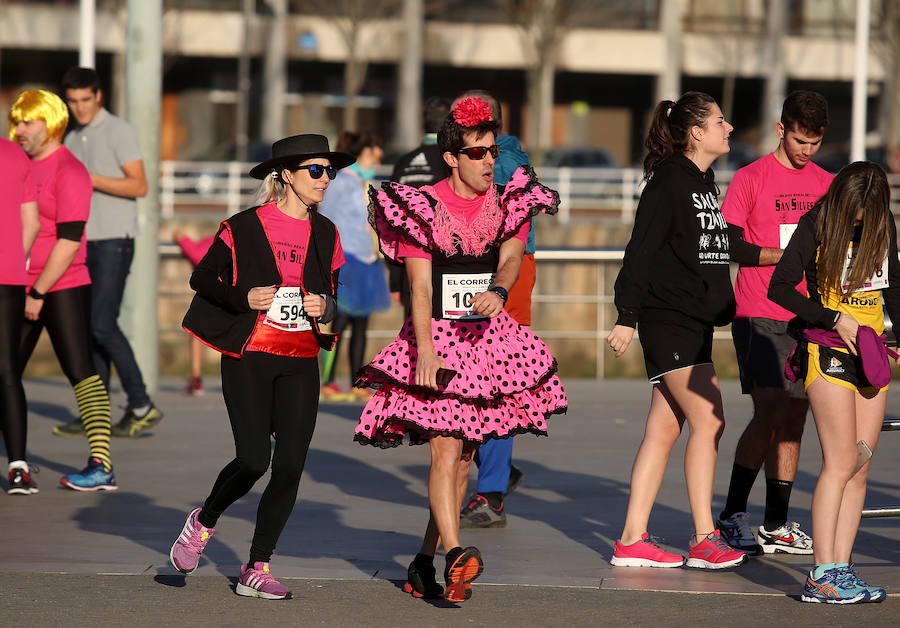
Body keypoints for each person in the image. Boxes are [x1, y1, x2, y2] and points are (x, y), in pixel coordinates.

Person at [353, 97, 567, 601]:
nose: (489, 162)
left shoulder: (510, 198)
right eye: (477, 154)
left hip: (490, 341)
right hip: (440, 338)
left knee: (465, 457)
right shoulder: (420, 207)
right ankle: (456, 554)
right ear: (451, 157)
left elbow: (513, 255)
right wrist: (425, 351)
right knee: (445, 449)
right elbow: (420, 289)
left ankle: (425, 562)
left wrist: (499, 289)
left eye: (492, 152)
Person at [169, 134, 350, 600]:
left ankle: (257, 566)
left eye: (330, 171)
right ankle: (204, 519)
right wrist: (241, 297)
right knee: (254, 459)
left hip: (300, 360)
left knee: (289, 467)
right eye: (316, 170)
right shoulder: (244, 227)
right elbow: (201, 278)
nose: (325, 179)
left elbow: (336, 300)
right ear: (286, 174)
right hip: (250, 355)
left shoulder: (327, 233)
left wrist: (325, 305)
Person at [607, 91, 746, 569]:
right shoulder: (668, 182)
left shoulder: (702, 182)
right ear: (697, 132)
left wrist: (782, 256)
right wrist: (626, 316)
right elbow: (639, 250)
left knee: (664, 430)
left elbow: (718, 242)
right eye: (721, 122)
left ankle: (631, 540)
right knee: (710, 420)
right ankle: (705, 538)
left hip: (694, 320)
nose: (729, 129)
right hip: (669, 320)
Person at [769, 161, 897, 604]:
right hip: (828, 350)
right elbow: (780, 287)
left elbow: (894, 285)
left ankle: (840, 569)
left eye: (867, 212)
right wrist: (831, 317)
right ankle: (821, 573)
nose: (859, 219)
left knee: (860, 467)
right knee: (839, 462)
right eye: (854, 210)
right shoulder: (817, 223)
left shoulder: (883, 225)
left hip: (873, 354)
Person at [717, 91, 833, 555]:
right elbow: (728, 244)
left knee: (794, 419)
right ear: (781, 129)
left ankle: (777, 522)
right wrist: (781, 257)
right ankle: (732, 513)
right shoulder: (750, 178)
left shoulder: (827, 183)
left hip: (809, 315)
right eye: (800, 140)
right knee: (768, 411)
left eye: (815, 143)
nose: (807, 151)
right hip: (759, 310)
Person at [9, 89, 117, 491]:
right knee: (6, 371)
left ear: (50, 123)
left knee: (80, 370)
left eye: (28, 122)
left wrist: (37, 292)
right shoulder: (18, 165)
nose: (19, 130)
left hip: (62, 283)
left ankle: (102, 465)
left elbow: (70, 239)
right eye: (16, 121)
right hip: (16, 281)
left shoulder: (69, 170)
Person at [58, 66, 163, 439]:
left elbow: (140, 185)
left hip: (115, 241)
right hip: (81, 244)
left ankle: (140, 403)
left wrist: (92, 178)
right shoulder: (71, 138)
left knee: (102, 324)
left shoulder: (118, 130)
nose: (80, 107)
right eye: (73, 101)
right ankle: (95, 414)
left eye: (86, 99)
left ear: (98, 96)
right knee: (89, 330)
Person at [454, 90, 530, 529]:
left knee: (496, 385)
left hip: (506, 274)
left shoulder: (502, 164)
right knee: (467, 384)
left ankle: (493, 490)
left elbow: (513, 245)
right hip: (467, 280)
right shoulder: (480, 156)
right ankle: (494, 472)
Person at [318, 130, 391, 402]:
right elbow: (326, 216)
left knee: (361, 322)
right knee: (339, 321)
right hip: (346, 258)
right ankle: (327, 381)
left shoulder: (364, 181)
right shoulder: (341, 180)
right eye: (376, 149)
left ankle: (355, 383)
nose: (380, 155)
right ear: (365, 151)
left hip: (366, 259)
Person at [1, 136, 40, 495]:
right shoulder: (14, 153)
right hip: (9, 277)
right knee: (8, 371)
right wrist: (14, 256)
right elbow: (32, 222)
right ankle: (18, 467)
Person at [389, 97, 452, 309]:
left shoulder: (403, 162)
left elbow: (392, 221)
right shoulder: (452, 162)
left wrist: (395, 281)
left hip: (409, 265)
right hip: (447, 265)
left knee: (414, 335)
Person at [173, 229, 216, 396]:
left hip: (210, 297)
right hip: (236, 294)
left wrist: (180, 237)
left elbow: (194, 252)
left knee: (196, 332)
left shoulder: (206, 245)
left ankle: (196, 378)